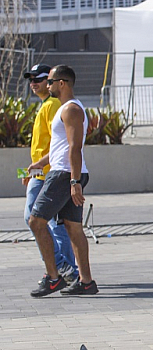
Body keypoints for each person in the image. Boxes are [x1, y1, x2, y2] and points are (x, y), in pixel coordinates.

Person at [28, 65, 98, 297]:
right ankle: (86, 282)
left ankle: (53, 278)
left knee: (36, 221)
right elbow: (61, 145)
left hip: (65, 174)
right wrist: (41, 161)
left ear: (63, 83)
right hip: (64, 171)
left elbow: (75, 147)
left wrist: (75, 181)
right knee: (73, 227)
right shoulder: (63, 110)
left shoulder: (71, 110)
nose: (47, 85)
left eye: (50, 81)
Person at [21, 63, 78, 284]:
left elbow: (62, 142)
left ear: (54, 82)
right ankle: (68, 269)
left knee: (34, 218)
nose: (33, 83)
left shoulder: (54, 104)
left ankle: (60, 265)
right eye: (31, 79)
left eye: (40, 79)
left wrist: (42, 167)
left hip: (49, 173)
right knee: (56, 223)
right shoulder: (47, 104)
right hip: (44, 171)